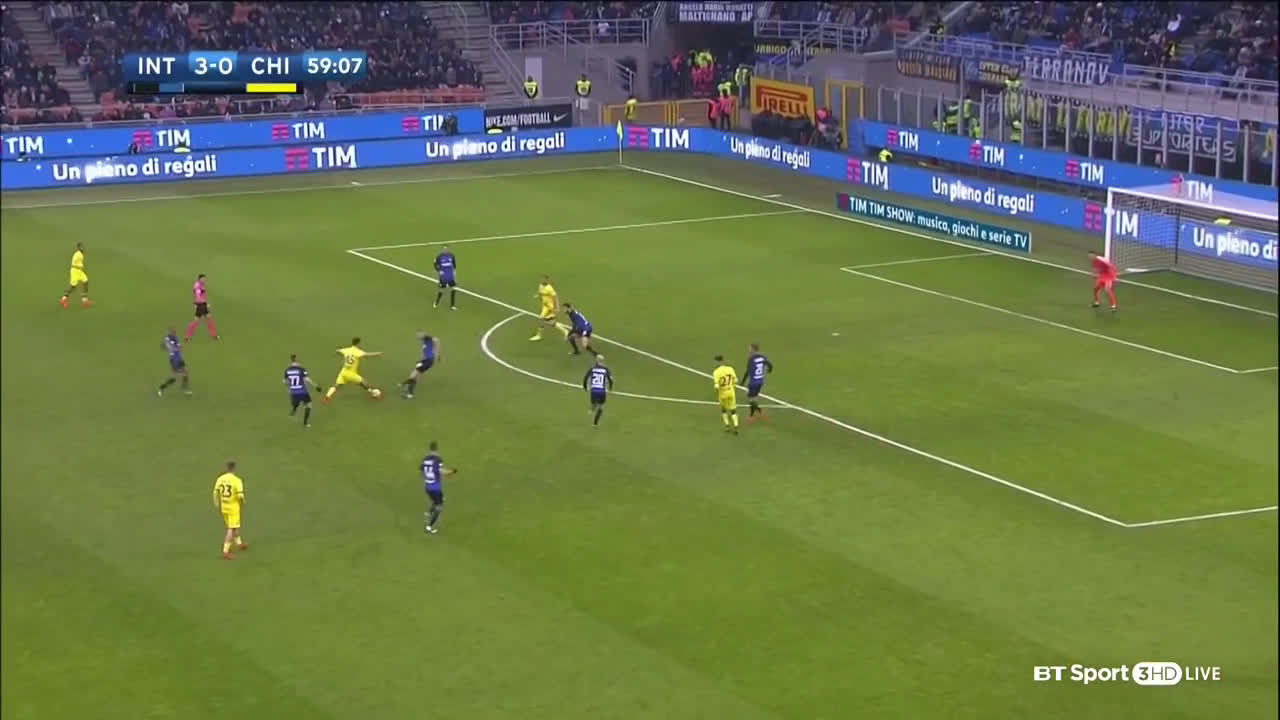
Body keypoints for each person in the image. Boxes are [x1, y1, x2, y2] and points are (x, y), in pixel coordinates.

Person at [323, 337, 383, 403]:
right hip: (351, 373)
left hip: (343, 372)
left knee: (337, 385)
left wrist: (339, 351)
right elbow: (367, 355)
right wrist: (377, 354)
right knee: (363, 381)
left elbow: (338, 351)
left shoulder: (346, 350)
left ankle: (327, 397)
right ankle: (374, 393)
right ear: (358, 343)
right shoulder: (358, 351)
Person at [212, 461, 247, 559]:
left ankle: (239, 543)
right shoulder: (237, 480)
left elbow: (215, 492)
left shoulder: (220, 479)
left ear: (226, 468)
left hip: (224, 507)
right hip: (233, 508)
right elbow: (240, 495)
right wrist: (243, 502)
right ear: (234, 468)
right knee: (231, 528)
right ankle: (225, 551)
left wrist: (217, 503)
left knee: (233, 526)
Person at [421, 441, 457, 535]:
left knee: (440, 499)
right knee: (439, 507)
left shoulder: (425, 459)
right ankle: (429, 527)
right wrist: (452, 472)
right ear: (436, 450)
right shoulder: (437, 459)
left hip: (427, 486)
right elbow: (441, 471)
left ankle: (429, 512)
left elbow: (422, 469)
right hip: (435, 487)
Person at [401, 331, 440, 399]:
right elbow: (427, 351)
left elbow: (436, 340)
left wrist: (436, 352)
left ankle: (408, 391)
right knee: (417, 375)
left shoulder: (427, 338)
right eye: (417, 335)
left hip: (428, 361)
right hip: (426, 361)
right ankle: (408, 388)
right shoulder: (424, 342)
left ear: (422, 334)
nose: (417, 336)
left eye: (418, 335)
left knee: (413, 374)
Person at [283, 354, 318, 427]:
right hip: (302, 391)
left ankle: (294, 409)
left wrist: (289, 388)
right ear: (296, 360)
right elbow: (307, 379)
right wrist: (316, 386)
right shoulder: (301, 369)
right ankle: (305, 423)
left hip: (293, 392)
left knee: (296, 402)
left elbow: (285, 382)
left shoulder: (287, 370)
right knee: (308, 405)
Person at [742, 344, 773, 421]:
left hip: (753, 382)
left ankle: (752, 416)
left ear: (753, 349)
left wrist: (742, 382)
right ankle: (760, 413)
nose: (749, 350)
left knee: (751, 400)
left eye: (750, 349)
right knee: (754, 398)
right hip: (760, 381)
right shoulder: (762, 357)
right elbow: (769, 364)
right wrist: (769, 370)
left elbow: (747, 372)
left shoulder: (751, 359)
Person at [184, 273, 219, 341]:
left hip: (203, 304)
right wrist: (197, 304)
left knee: (209, 318)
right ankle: (187, 336)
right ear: (199, 279)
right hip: (200, 305)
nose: (204, 280)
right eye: (203, 279)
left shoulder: (201, 284)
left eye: (204, 279)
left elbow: (203, 295)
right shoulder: (197, 285)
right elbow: (198, 295)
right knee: (196, 321)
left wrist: (206, 303)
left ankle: (214, 335)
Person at [158, 327, 191, 396]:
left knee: (186, 372)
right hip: (174, 359)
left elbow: (176, 347)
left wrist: (179, 347)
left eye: (174, 332)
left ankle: (184, 389)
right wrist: (177, 348)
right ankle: (161, 388)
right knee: (175, 377)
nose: (174, 333)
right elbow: (172, 348)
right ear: (170, 332)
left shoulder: (175, 338)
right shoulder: (168, 339)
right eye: (172, 332)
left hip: (179, 358)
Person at [582, 354, 614, 426]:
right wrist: (610, 387)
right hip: (602, 391)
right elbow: (610, 380)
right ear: (603, 361)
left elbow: (585, 378)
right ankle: (595, 423)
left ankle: (592, 409)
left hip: (593, 390)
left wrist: (585, 387)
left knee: (594, 403)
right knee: (601, 406)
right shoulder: (606, 369)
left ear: (596, 360)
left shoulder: (592, 368)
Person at [712, 356, 740, 434]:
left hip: (723, 394)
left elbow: (716, 385)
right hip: (731, 392)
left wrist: (717, 392)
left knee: (723, 410)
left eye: (715, 362)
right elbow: (736, 380)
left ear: (718, 362)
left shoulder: (716, 372)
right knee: (733, 410)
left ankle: (727, 426)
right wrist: (732, 386)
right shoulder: (730, 369)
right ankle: (736, 426)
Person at [60, 242, 92, 308]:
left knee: (86, 281)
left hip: (80, 271)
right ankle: (63, 299)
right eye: (81, 247)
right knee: (73, 287)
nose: (82, 248)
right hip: (75, 271)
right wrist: (78, 266)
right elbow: (73, 263)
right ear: (78, 248)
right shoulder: (77, 254)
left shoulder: (81, 254)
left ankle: (85, 300)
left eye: (83, 246)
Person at [530, 275, 562, 341]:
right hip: (545, 306)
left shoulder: (549, 288)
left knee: (543, 319)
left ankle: (539, 335)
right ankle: (565, 332)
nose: (543, 281)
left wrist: (557, 307)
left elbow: (555, 298)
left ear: (547, 280)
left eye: (545, 280)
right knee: (550, 322)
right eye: (542, 279)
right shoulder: (540, 286)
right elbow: (540, 292)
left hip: (550, 307)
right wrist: (537, 295)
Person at [433, 245, 458, 310]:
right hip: (443, 275)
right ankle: (436, 303)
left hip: (450, 275)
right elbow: (435, 264)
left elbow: (454, 265)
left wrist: (454, 273)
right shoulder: (439, 256)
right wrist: (439, 271)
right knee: (441, 290)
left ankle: (452, 305)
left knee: (453, 289)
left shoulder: (451, 255)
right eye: (444, 249)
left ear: (448, 249)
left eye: (446, 249)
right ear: (442, 250)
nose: (445, 250)